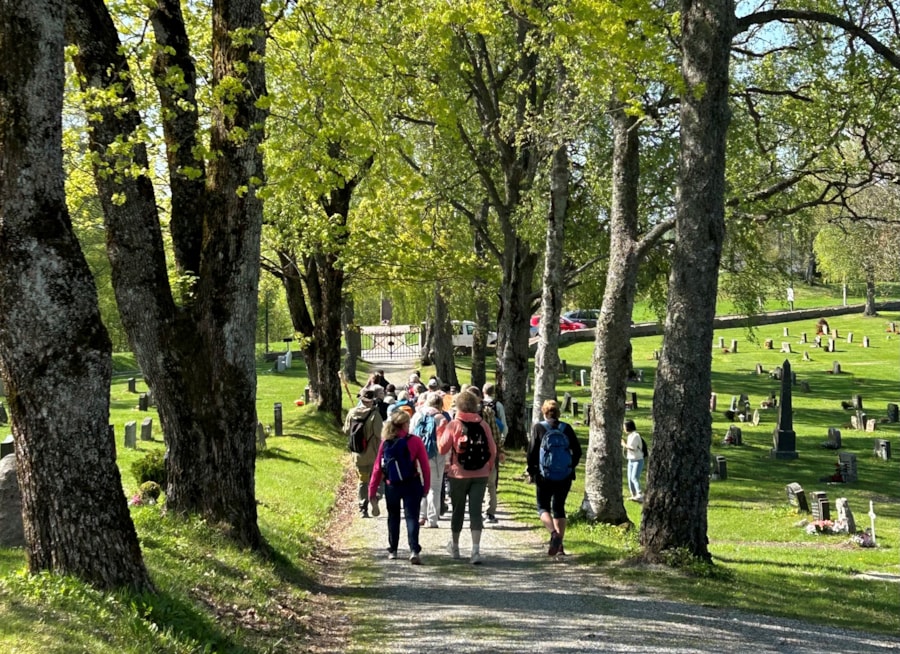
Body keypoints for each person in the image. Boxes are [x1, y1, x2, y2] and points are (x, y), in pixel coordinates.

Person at [438, 389, 496, 564]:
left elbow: (442, 448)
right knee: (476, 511)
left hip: (458, 473)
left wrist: (440, 432)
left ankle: (455, 547)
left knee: (458, 510)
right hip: (480, 473)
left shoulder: (454, 424)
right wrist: (488, 467)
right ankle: (475, 550)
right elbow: (492, 449)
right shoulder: (483, 425)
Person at [369, 410, 431, 564]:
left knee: (393, 517)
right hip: (412, 484)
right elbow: (425, 466)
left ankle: (393, 550)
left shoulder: (386, 442)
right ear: (404, 425)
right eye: (408, 423)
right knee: (412, 517)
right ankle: (414, 550)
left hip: (392, 485)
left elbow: (377, 468)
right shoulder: (415, 441)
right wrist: (426, 487)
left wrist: (372, 491)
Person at [527, 399, 582, 556]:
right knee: (559, 508)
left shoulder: (538, 428)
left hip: (544, 475)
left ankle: (553, 534)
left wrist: (532, 471)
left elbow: (532, 453)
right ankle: (560, 546)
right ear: (558, 413)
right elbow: (578, 451)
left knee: (543, 507)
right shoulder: (566, 428)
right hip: (564, 475)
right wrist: (570, 466)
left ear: (544, 412)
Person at [411, 392, 450, 528]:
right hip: (436, 457)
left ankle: (421, 516)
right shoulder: (441, 418)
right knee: (435, 488)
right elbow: (445, 441)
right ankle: (432, 519)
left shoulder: (417, 415)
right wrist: (447, 460)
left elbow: (410, 435)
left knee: (421, 485)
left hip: (419, 456)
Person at [343, 389, 384, 518]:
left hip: (358, 454)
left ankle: (363, 507)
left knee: (362, 480)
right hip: (373, 454)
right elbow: (380, 434)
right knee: (376, 479)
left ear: (361, 399)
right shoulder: (375, 415)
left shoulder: (352, 413)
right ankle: (374, 497)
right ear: (372, 401)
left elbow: (346, 430)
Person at [482, 382, 508, 523]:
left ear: (483, 391)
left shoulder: (475, 408)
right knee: (491, 482)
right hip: (492, 447)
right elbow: (504, 426)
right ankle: (489, 512)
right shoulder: (497, 406)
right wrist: (501, 445)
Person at [621, 419, 644, 502]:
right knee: (629, 478)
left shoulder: (635, 436)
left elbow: (633, 448)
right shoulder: (630, 436)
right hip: (631, 460)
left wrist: (624, 444)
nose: (623, 429)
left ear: (628, 427)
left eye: (624, 427)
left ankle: (639, 494)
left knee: (634, 477)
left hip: (638, 460)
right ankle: (633, 495)